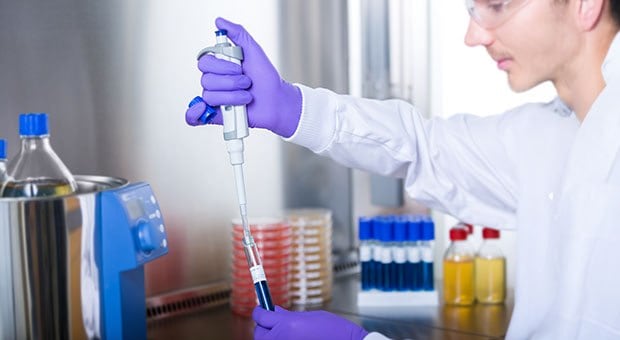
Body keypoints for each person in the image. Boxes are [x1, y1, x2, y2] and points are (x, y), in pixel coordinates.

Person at [185, 0, 620, 338]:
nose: (473, 35)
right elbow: (423, 148)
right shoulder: (547, 133)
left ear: (586, 5)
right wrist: (291, 108)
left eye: (498, 5)